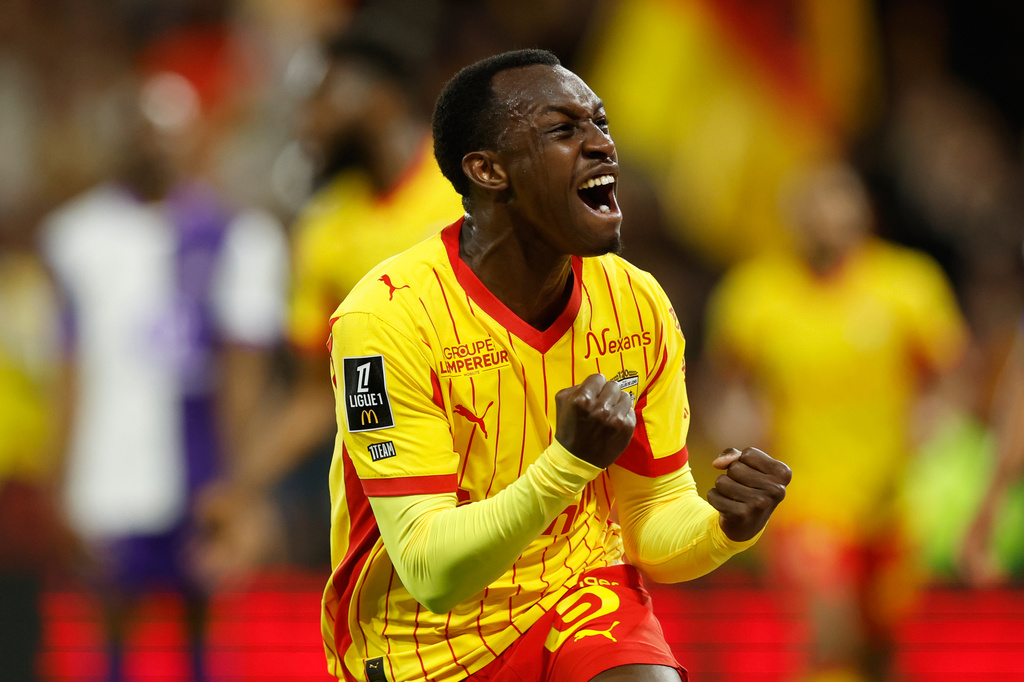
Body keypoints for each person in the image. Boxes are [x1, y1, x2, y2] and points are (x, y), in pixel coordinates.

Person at [321, 48, 792, 682]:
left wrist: (724, 527)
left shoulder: (636, 303)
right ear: (488, 170)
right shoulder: (384, 321)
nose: (602, 146)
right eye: (564, 130)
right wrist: (568, 463)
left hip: (576, 601)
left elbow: (651, 518)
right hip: (423, 642)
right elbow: (429, 571)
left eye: (600, 124)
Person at [40, 77, 288, 682]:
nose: (156, 148)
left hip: (202, 462)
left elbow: (246, 372)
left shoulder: (238, 236)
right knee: (113, 613)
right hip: (111, 466)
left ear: (197, 139)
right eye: (145, 133)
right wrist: (60, 480)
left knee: (203, 612)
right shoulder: (77, 236)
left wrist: (243, 483)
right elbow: (68, 368)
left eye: (169, 134)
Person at [198, 33, 464, 578]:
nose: (306, 123)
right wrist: (242, 487)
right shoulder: (322, 232)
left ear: (380, 100)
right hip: (396, 493)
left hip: (501, 465)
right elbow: (317, 393)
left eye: (323, 99)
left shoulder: (469, 188)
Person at [704, 161, 968, 682]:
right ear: (794, 217)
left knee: (883, 642)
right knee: (829, 628)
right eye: (814, 204)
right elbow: (722, 387)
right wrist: (736, 429)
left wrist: (936, 423)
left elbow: (954, 378)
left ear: (863, 211)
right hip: (802, 495)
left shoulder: (909, 286)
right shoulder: (756, 294)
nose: (828, 216)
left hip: (892, 495)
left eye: (839, 201)